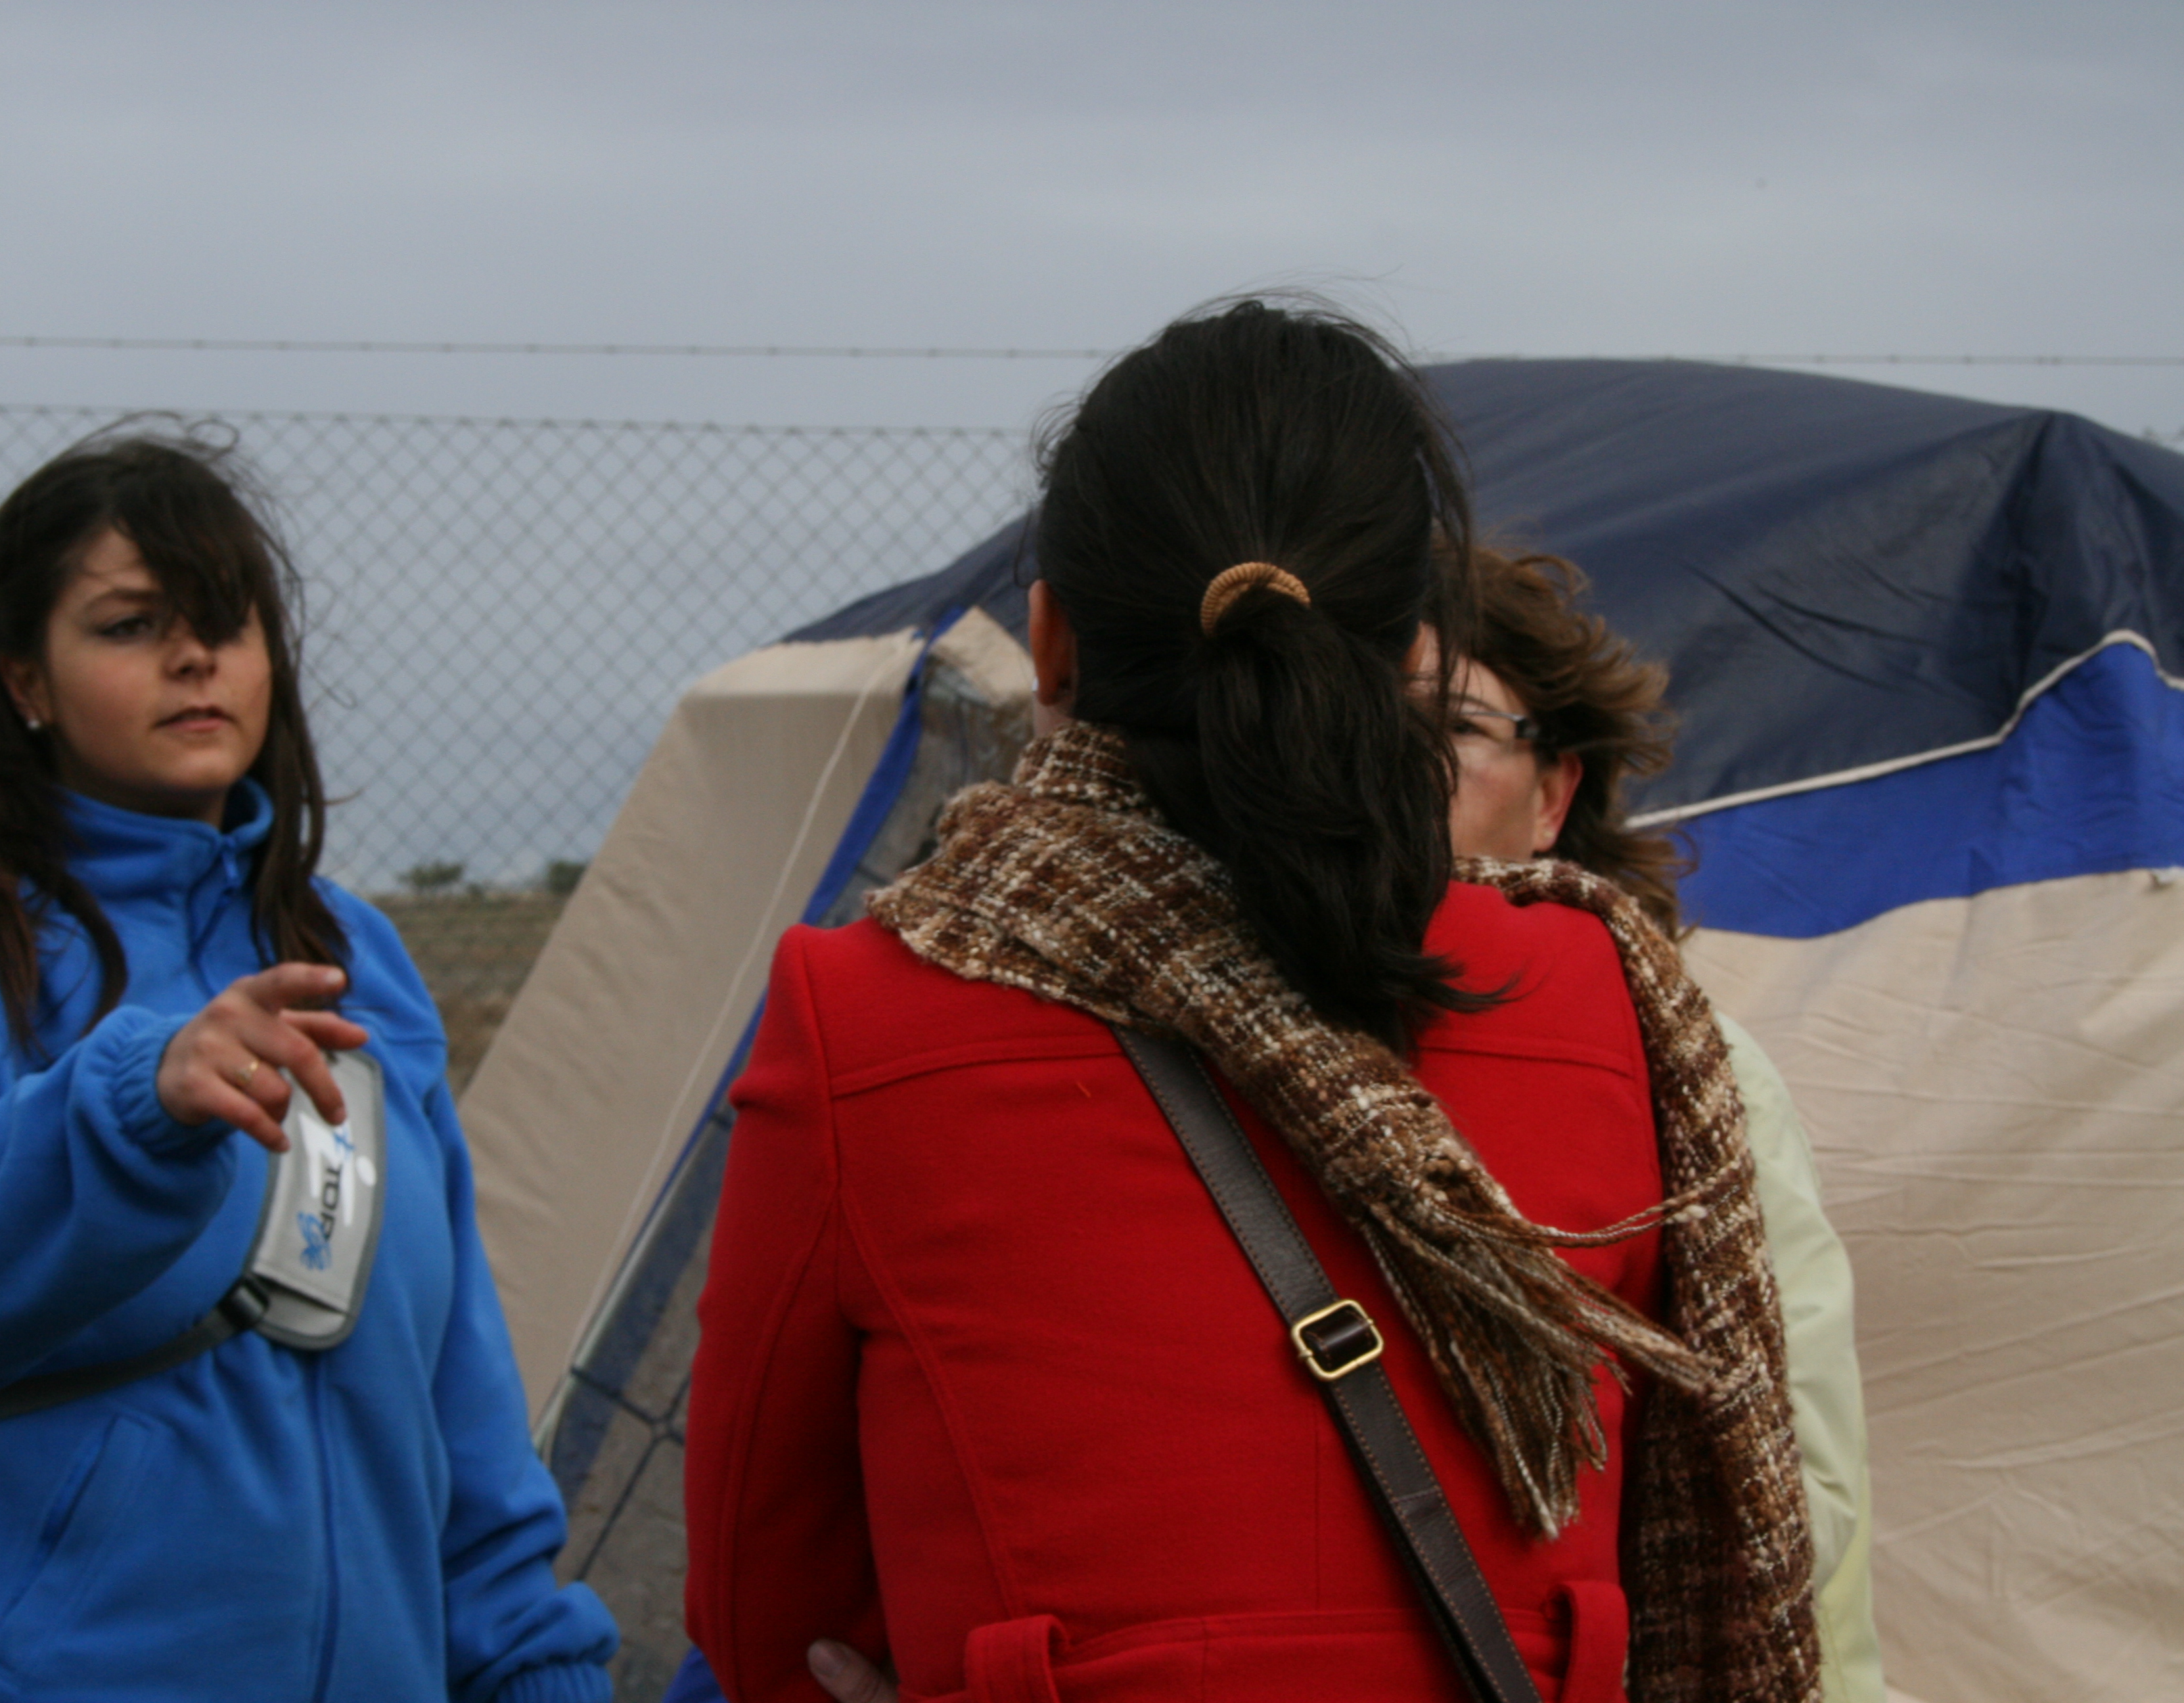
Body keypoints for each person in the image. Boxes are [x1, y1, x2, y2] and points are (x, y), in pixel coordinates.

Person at [682, 300, 1819, 1703]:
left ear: (1051, 641)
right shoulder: (1599, 993)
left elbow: (770, 1615)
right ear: (1409, 652)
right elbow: (1682, 1540)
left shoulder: (862, 1012)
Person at [0, 432, 616, 1700]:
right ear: (24, 680)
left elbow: (455, 1393)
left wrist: (531, 1665)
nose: (193, 657)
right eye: (130, 625)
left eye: (226, 619)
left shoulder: (354, 962)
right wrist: (127, 1113)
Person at [1444, 544, 1884, 1703]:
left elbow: (1797, 1470)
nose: (1395, 770)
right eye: (1357, 726)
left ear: (1553, 795)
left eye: (1452, 728)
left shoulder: (1689, 1072)